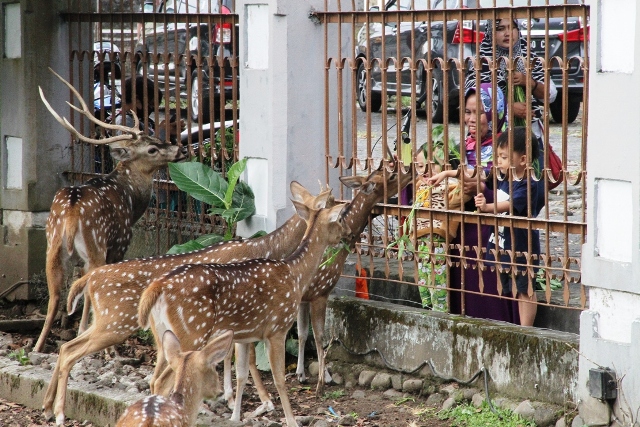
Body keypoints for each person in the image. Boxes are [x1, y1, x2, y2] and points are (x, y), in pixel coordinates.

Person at [427, 82, 518, 323]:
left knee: (489, 294)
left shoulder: (508, 147)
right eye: (467, 112)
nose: (471, 119)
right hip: (462, 230)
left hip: (492, 232)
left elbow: (520, 193)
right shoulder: (462, 147)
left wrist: (483, 190)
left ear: (494, 111)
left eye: (478, 111)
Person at [474, 127, 540, 327]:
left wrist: (486, 207)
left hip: (521, 244)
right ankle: (516, 323)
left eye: (503, 157)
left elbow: (510, 205)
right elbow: (476, 173)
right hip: (503, 242)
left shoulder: (528, 183)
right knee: (509, 284)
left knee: (524, 287)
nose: (499, 162)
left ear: (522, 159)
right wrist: (448, 173)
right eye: (498, 156)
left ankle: (526, 328)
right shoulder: (504, 178)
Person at [465, 18, 557, 145]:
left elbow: (550, 96)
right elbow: (472, 99)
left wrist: (529, 82)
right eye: (500, 29)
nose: (507, 33)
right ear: (491, 33)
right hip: (490, 137)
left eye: (512, 27)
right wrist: (508, 108)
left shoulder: (530, 57)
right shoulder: (480, 62)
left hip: (529, 134)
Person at [412, 143, 469, 312]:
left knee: (438, 282)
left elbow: (465, 191)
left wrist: (450, 176)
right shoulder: (419, 185)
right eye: (420, 166)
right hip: (420, 241)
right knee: (424, 283)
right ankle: (428, 310)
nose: (425, 170)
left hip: (437, 239)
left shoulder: (451, 186)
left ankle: (440, 313)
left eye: (432, 165)